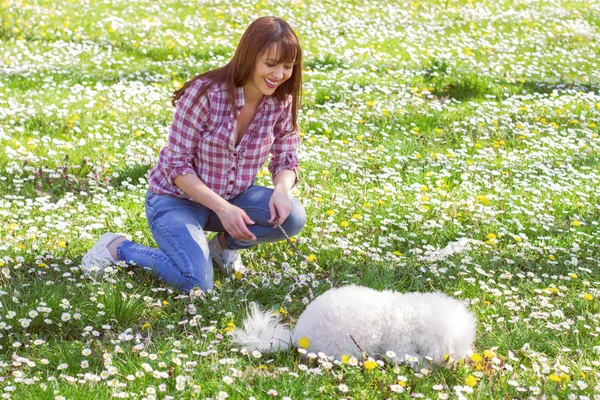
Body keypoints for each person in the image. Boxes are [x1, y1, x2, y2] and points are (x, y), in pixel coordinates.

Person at [82, 16, 306, 293]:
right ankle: (118, 248)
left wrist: (282, 189)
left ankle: (221, 248)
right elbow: (177, 166)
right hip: (176, 200)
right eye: (270, 64)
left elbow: (286, 156)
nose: (279, 75)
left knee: (293, 216)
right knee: (197, 284)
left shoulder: (279, 101)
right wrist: (223, 209)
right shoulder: (206, 94)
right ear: (248, 57)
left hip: (231, 199)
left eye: (287, 66)